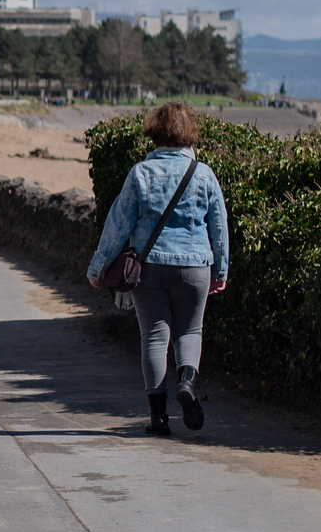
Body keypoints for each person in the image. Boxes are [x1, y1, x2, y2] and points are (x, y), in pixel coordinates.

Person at [85, 101, 230, 436]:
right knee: (190, 332)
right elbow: (218, 226)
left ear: (154, 132)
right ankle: (187, 383)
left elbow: (118, 224)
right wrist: (220, 271)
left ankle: (158, 418)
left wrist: (98, 268)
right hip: (195, 266)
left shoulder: (140, 173)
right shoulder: (204, 174)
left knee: (153, 337)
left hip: (147, 268)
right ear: (189, 133)